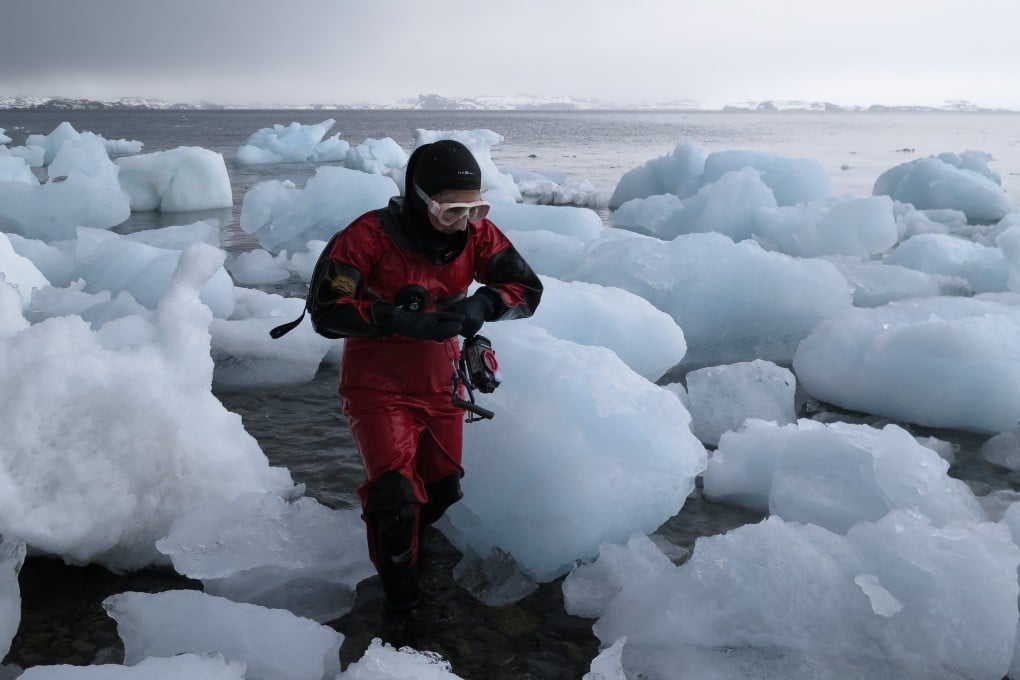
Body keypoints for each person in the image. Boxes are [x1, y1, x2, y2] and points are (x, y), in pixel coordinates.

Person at [310, 139, 543, 611]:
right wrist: (394, 319)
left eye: (473, 210)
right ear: (420, 200)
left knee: (442, 489)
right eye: (447, 211)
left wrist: (486, 303)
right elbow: (325, 311)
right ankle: (403, 607)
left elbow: (527, 288)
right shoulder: (367, 237)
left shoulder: (477, 235)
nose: (461, 223)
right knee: (395, 496)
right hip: (377, 380)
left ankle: (407, 546)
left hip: (440, 377)